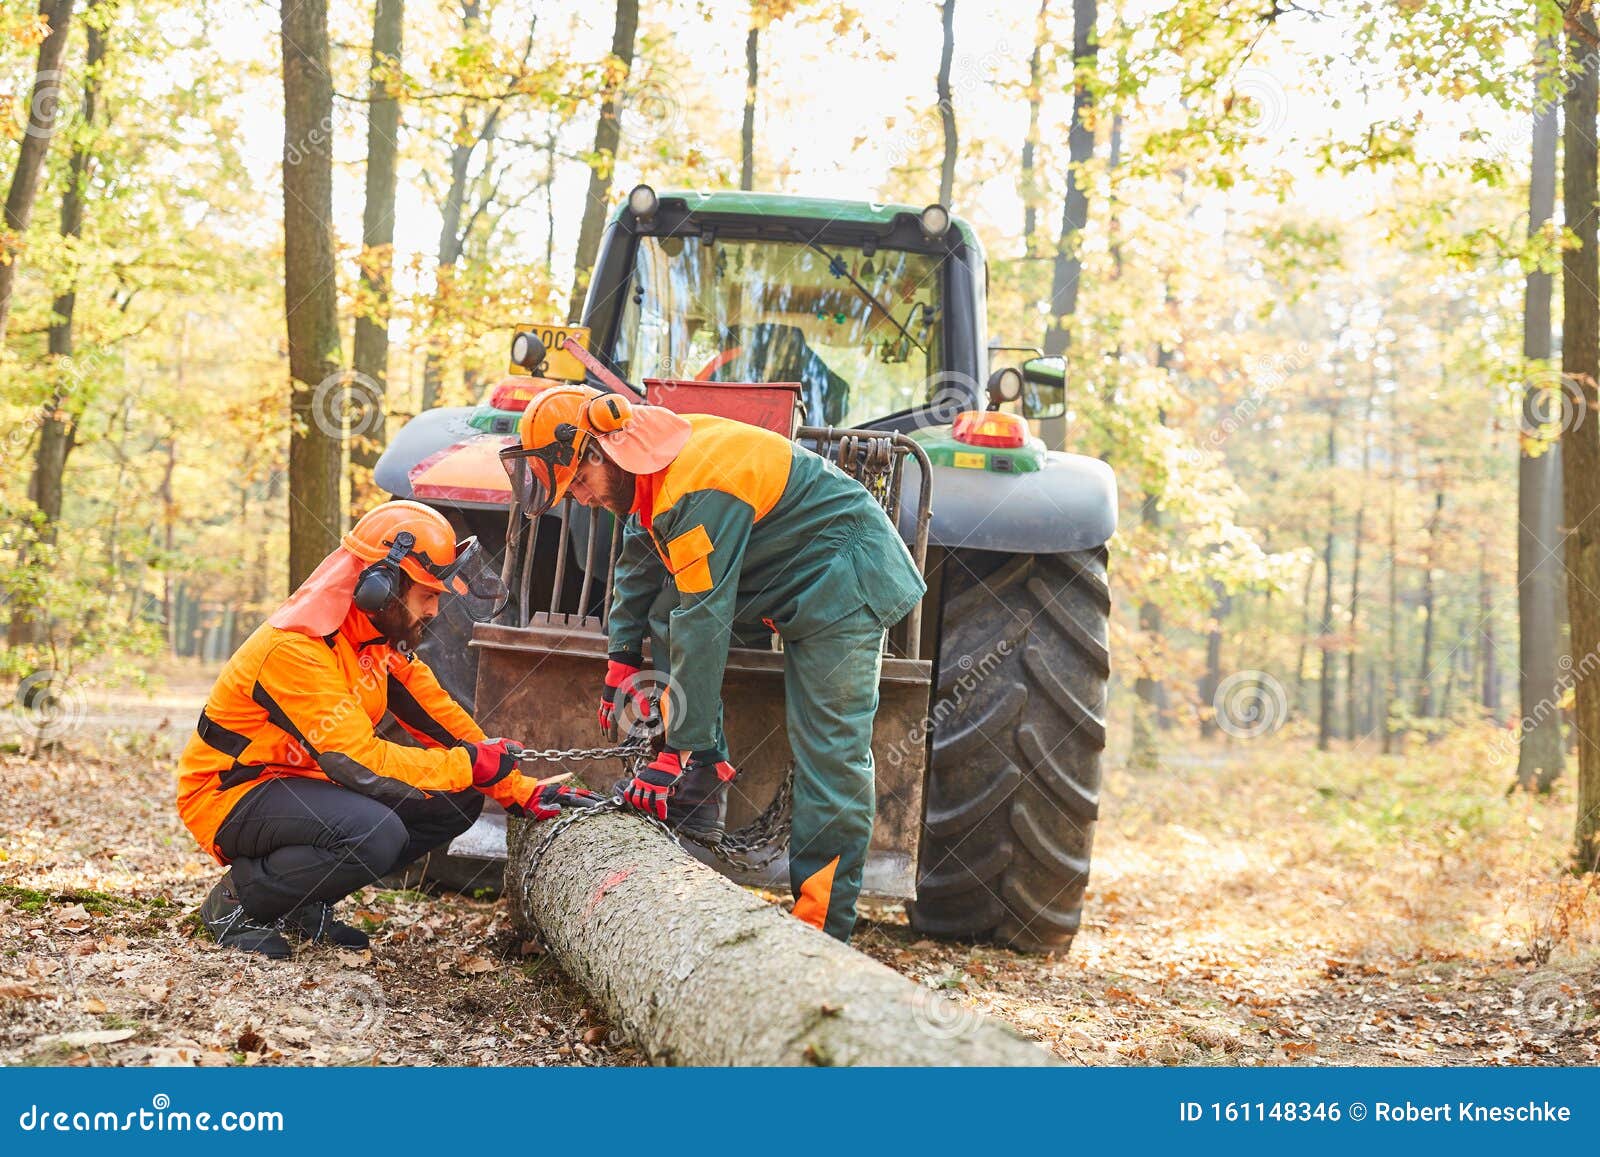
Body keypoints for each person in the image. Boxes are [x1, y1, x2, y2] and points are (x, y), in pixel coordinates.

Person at [499, 386, 925, 942]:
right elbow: (636, 567)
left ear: (604, 451)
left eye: (578, 482)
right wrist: (621, 663)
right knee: (661, 607)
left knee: (831, 751)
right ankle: (705, 775)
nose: (578, 498)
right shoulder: (647, 470)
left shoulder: (694, 485)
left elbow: (703, 619)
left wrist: (676, 747)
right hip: (779, 576)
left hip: (845, 575)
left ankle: (821, 933)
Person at [176, 500, 599, 959]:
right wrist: (469, 763)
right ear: (382, 586)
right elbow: (354, 762)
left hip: (300, 785)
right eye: (428, 595)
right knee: (374, 833)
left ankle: (297, 901)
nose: (436, 610)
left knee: (454, 801)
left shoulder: (375, 642)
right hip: (233, 794)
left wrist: (519, 790)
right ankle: (238, 901)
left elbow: (441, 719)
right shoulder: (295, 650)